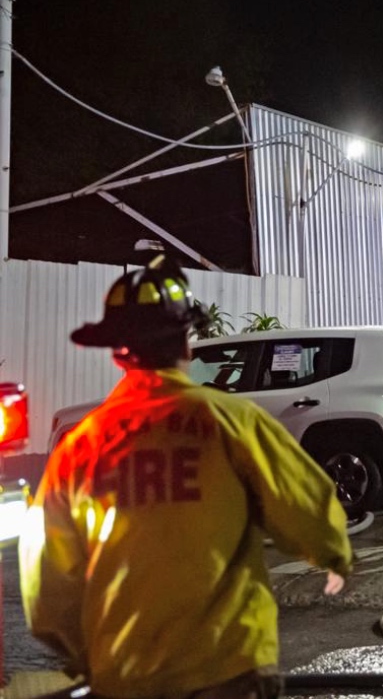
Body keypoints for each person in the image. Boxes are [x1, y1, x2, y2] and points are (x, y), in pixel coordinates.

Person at [19, 255, 354, 699]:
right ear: (186, 345)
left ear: (119, 353)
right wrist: (332, 556)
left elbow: (47, 584)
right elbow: (307, 508)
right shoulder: (232, 421)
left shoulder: (82, 446)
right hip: (227, 667)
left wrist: (90, 655)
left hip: (124, 676)